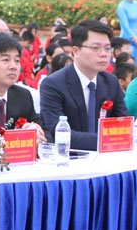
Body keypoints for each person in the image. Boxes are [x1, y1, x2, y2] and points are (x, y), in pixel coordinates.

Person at [39, 20, 129, 150]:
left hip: (108, 155)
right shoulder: (53, 84)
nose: (104, 54)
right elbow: (58, 133)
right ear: (75, 51)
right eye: (95, 48)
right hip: (70, 156)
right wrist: (106, 140)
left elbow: (123, 124)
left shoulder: (110, 81)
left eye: (107, 48)